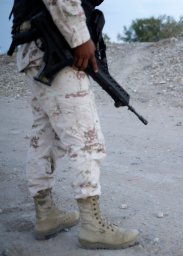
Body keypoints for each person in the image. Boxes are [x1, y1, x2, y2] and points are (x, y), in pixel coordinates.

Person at [9, 0, 139, 249]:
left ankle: (46, 214)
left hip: (35, 45)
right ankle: (93, 226)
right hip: (54, 41)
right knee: (86, 135)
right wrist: (79, 36)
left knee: (46, 134)